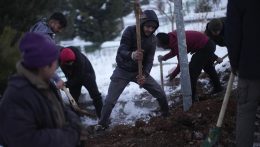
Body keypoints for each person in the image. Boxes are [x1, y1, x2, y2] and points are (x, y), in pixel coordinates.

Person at [0, 33, 86, 147]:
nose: (56, 67)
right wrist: (70, 136)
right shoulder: (17, 96)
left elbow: (60, 110)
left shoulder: (44, 84)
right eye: (55, 62)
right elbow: (24, 140)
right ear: (45, 65)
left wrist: (76, 124)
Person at [96, 10, 169, 130]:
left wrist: (144, 75)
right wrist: (132, 55)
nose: (150, 29)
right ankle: (102, 124)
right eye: (147, 26)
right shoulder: (130, 31)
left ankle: (166, 114)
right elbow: (122, 50)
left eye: (153, 27)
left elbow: (149, 60)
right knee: (109, 101)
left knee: (160, 93)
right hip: (122, 70)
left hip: (138, 71)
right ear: (142, 24)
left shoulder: (152, 40)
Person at [226, 0, 260, 146]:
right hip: (251, 65)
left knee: (246, 111)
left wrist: (235, 63)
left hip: (251, 65)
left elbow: (233, 33)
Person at [156, 31, 223, 101]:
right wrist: (164, 58)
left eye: (162, 47)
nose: (163, 49)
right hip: (206, 45)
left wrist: (173, 75)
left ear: (165, 44)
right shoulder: (172, 38)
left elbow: (181, 64)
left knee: (192, 72)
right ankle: (218, 88)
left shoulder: (178, 44)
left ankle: (192, 98)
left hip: (205, 47)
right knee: (208, 68)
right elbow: (174, 51)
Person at [59, 47, 103, 118]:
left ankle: (102, 117)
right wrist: (61, 81)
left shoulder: (80, 60)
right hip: (72, 76)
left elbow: (79, 76)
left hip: (87, 74)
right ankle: (76, 119)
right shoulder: (59, 57)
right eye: (68, 63)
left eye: (71, 62)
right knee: (73, 99)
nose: (70, 64)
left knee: (96, 96)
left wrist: (67, 84)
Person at [30, 12, 67, 89]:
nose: (60, 31)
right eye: (59, 27)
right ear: (52, 22)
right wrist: (58, 80)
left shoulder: (40, 27)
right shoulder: (44, 37)